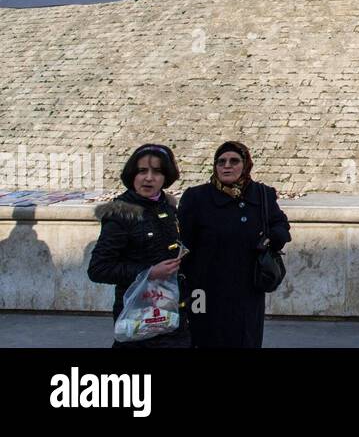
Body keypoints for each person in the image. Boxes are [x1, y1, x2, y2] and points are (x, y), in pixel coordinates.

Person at [180, 141, 290, 348]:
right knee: (201, 336)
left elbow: (281, 225)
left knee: (245, 338)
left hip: (247, 288)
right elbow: (183, 243)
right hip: (201, 289)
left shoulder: (262, 194)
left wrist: (271, 238)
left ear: (246, 165)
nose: (226, 166)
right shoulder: (196, 197)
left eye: (234, 161)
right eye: (221, 161)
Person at [87, 143, 190, 348]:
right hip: (139, 317)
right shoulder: (121, 212)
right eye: (142, 171)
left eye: (157, 172)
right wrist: (148, 272)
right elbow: (98, 269)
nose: (149, 178)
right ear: (132, 174)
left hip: (173, 315)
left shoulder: (168, 207)